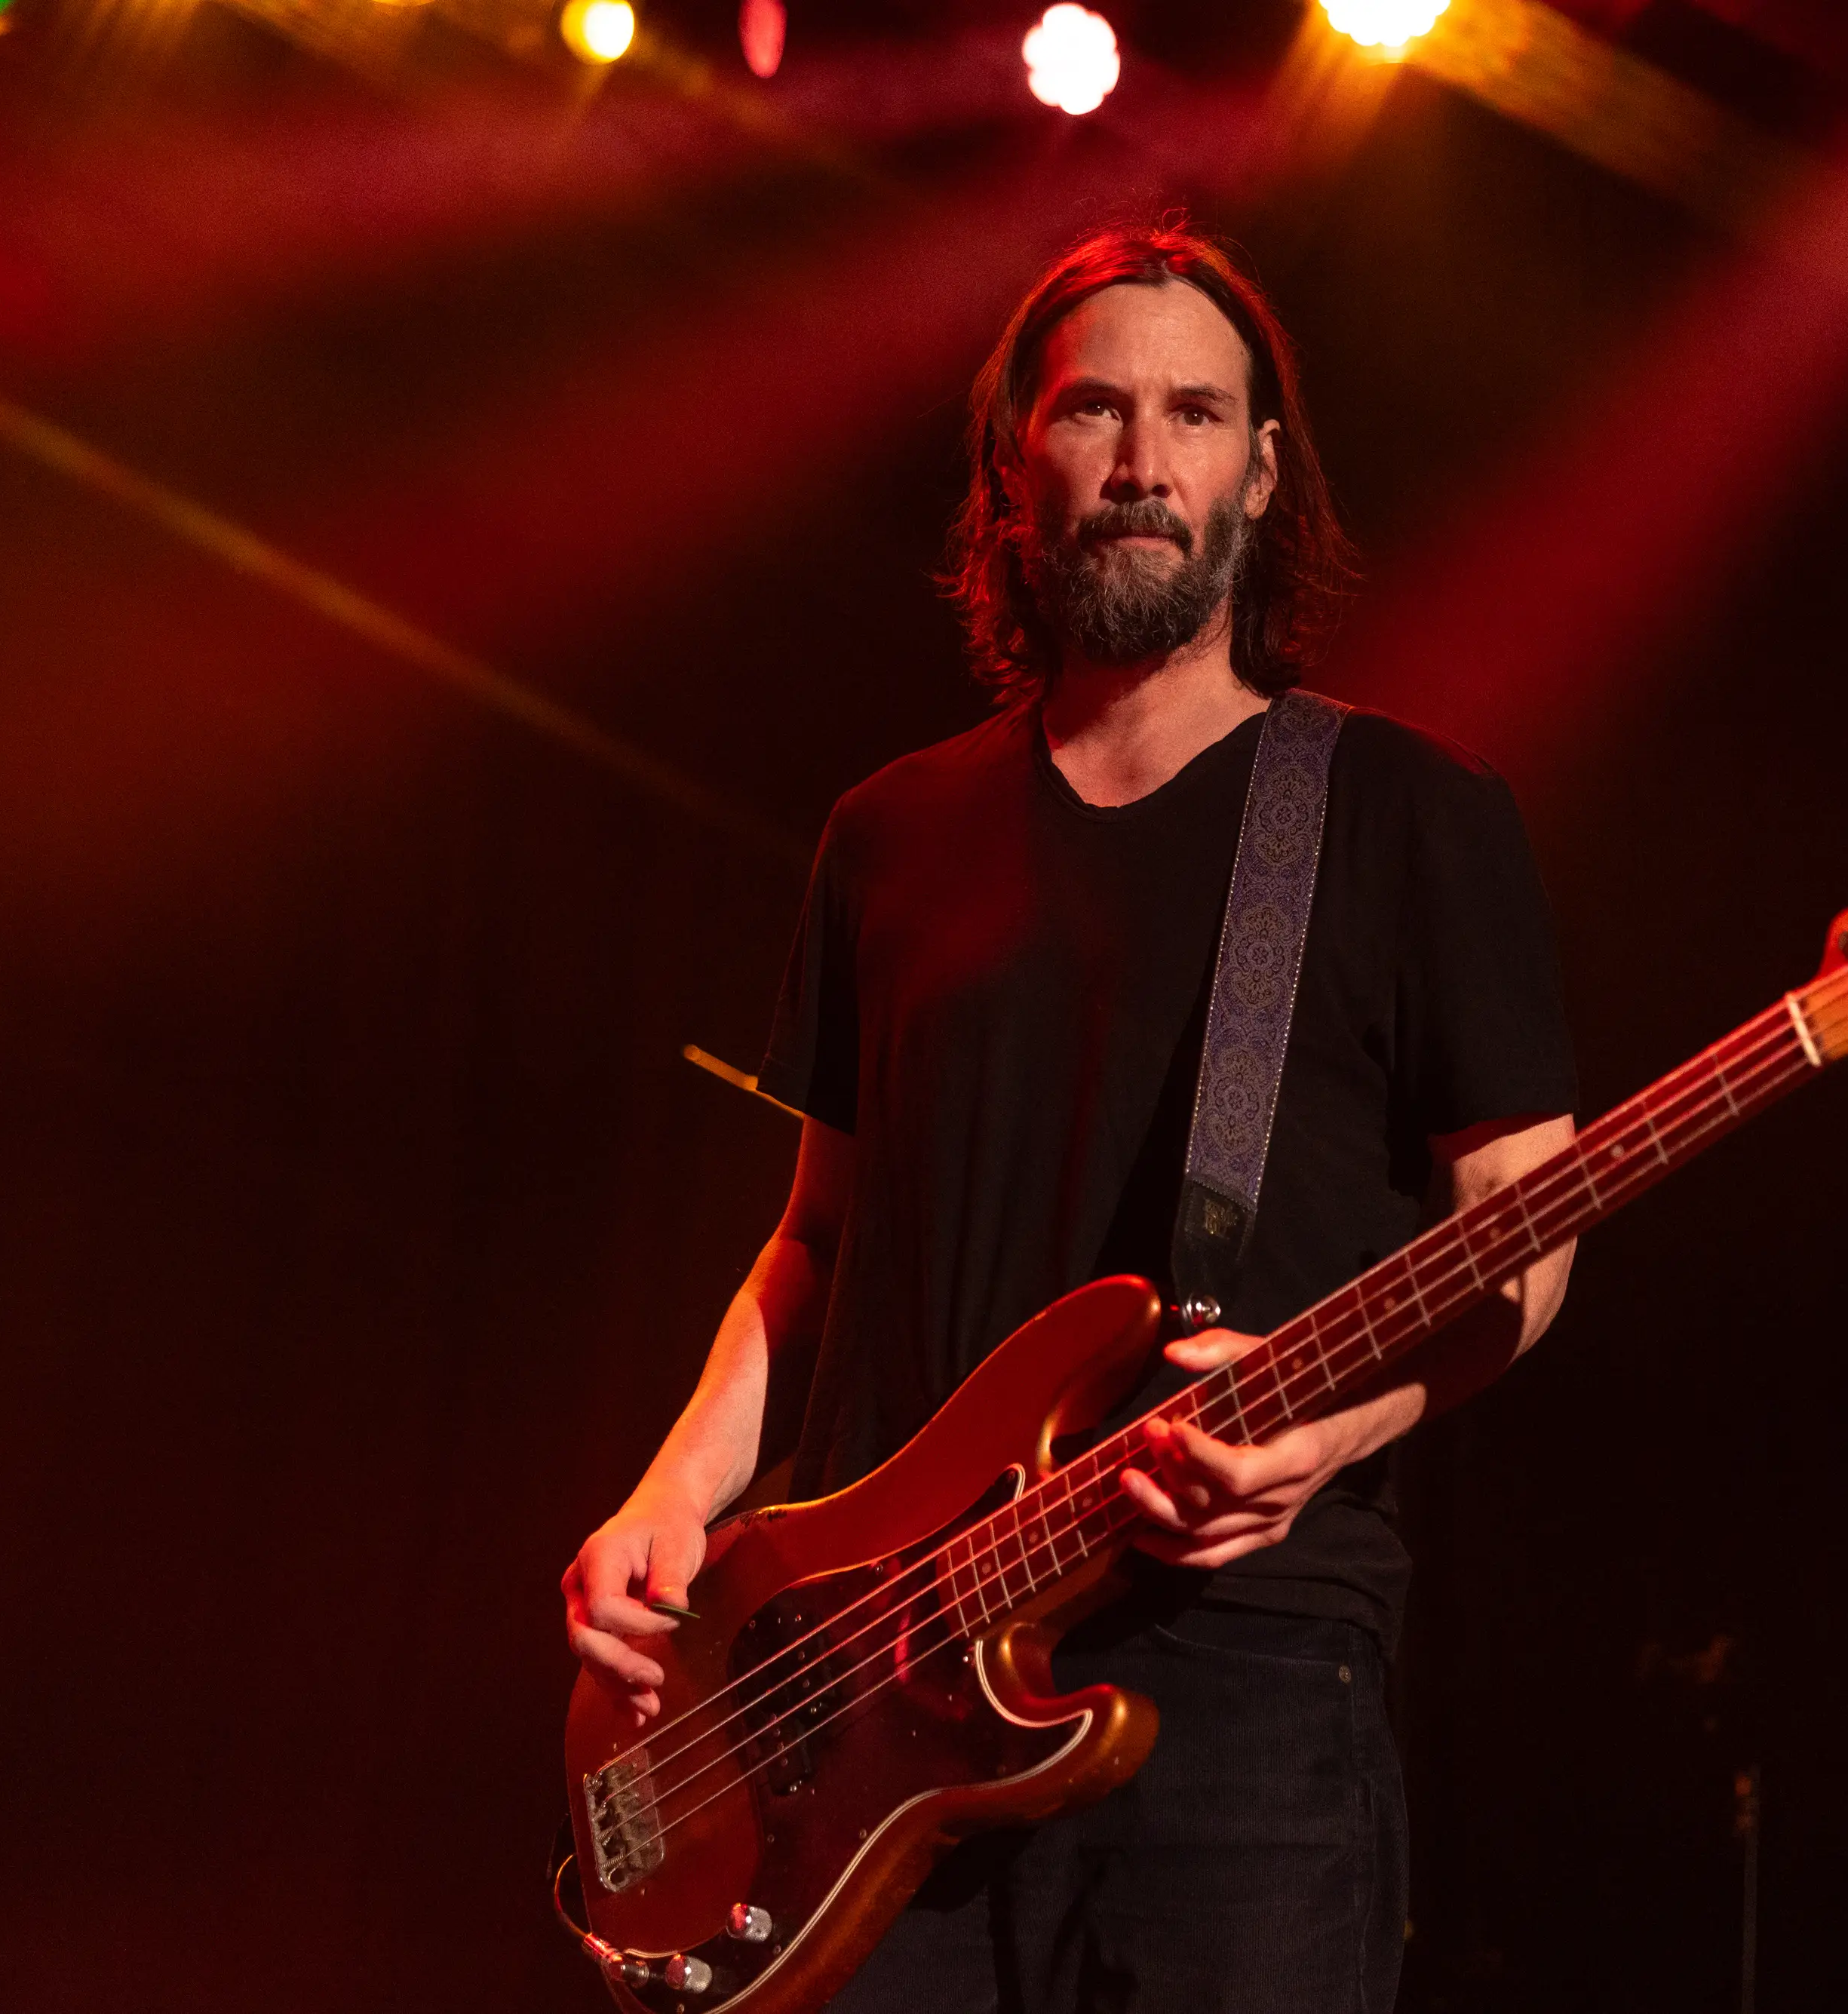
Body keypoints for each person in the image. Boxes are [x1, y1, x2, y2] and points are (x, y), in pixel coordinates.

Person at [562, 217, 1579, 2014]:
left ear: (1261, 476)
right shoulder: (890, 833)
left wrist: (1327, 1442)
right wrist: (674, 1492)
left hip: (1244, 1681)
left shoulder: (1407, 816)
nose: (1140, 460)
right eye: (1094, 411)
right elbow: (814, 1247)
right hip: (874, 1698)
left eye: (1195, 417)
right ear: (1012, 463)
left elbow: (1526, 1243)